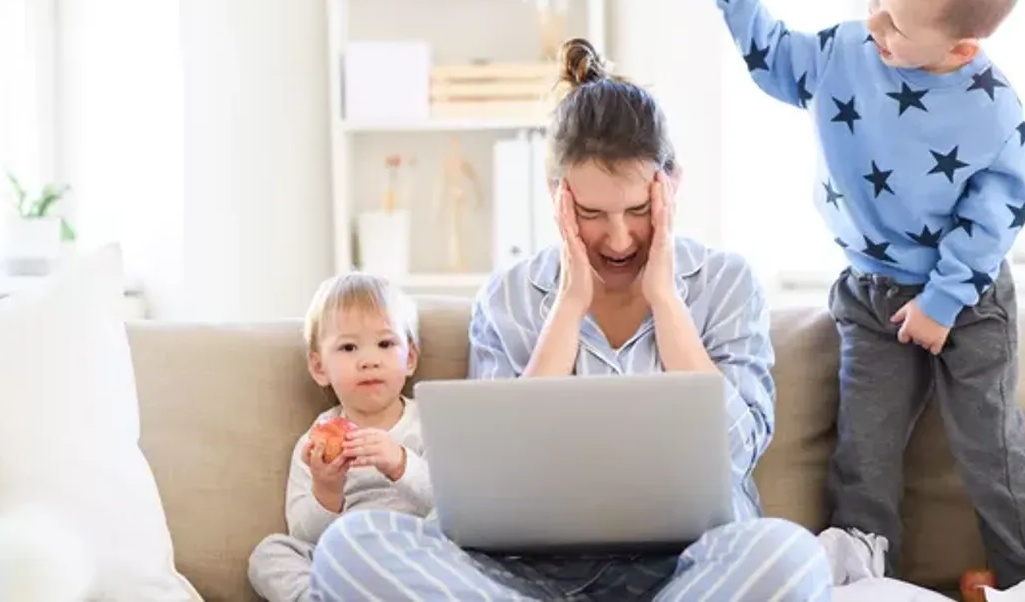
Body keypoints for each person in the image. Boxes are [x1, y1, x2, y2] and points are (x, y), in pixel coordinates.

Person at [307, 38, 834, 600]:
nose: (619, 237)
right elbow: (498, 480)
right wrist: (569, 304)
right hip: (525, 578)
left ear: (671, 185)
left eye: (638, 209)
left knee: (791, 557)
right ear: (556, 194)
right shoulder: (508, 299)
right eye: (590, 214)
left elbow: (736, 451)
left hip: (688, 571)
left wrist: (665, 300)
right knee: (351, 550)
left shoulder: (727, 284)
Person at [692, 0, 1025, 588]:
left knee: (990, 449)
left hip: (968, 298)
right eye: (875, 2)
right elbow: (770, 55)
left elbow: (997, 212)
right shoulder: (843, 53)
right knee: (862, 453)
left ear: (960, 50)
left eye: (896, 25)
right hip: (871, 293)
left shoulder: (991, 109)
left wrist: (943, 301)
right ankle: (859, 580)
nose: (874, 27)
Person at [248, 272, 433, 602]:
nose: (369, 360)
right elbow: (305, 534)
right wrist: (326, 491)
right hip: (343, 558)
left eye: (386, 344)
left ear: (410, 358)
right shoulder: (314, 444)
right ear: (320, 368)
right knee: (270, 553)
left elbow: (451, 508)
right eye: (348, 347)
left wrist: (402, 464)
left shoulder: (430, 423)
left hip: (413, 549)